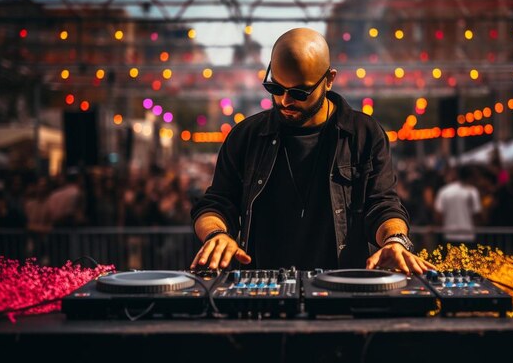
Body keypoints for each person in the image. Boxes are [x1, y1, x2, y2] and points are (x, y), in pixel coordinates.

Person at [190, 27, 434, 275]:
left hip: (343, 286)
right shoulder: (246, 136)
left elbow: (383, 205)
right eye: (276, 88)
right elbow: (216, 203)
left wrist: (395, 240)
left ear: (329, 80)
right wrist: (216, 234)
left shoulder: (364, 134)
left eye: (299, 92)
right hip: (264, 289)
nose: (285, 101)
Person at [433, 166, 482, 246]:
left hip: (449, 235)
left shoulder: (444, 191)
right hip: (468, 235)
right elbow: (477, 214)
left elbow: (438, 215)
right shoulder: (472, 191)